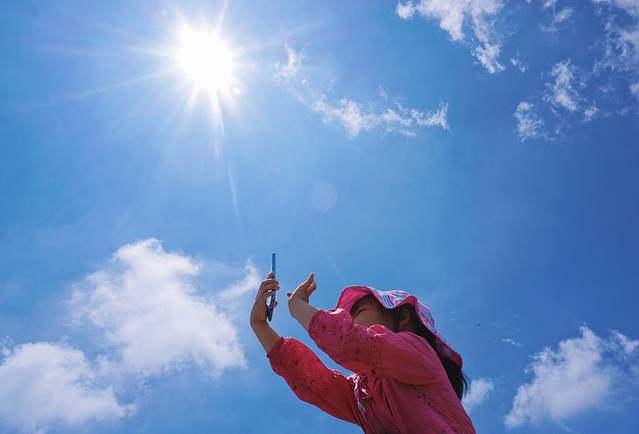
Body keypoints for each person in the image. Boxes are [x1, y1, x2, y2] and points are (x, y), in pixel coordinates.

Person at [249, 271, 476, 434]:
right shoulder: (361, 392)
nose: (347, 319)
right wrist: (259, 326)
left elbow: (349, 341)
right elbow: (317, 385)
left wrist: (298, 307)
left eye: (357, 311)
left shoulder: (418, 352)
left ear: (402, 317)